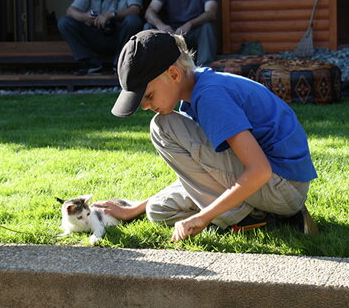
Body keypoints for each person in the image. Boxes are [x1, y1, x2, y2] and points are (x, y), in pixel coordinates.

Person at [94, 30, 318, 242]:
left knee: (163, 126)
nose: (145, 106)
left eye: (149, 95)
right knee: (158, 210)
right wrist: (136, 208)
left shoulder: (210, 97)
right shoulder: (196, 90)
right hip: (275, 186)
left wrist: (204, 217)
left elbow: (260, 170)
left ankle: (246, 218)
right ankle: (260, 216)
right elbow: (204, 169)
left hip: (282, 187)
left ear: (173, 74)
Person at [58, 0, 143, 75]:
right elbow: (71, 10)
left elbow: (136, 9)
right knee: (64, 22)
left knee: (133, 20)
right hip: (97, 35)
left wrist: (111, 14)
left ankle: (120, 64)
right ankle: (91, 63)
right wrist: (87, 17)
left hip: (121, 36)